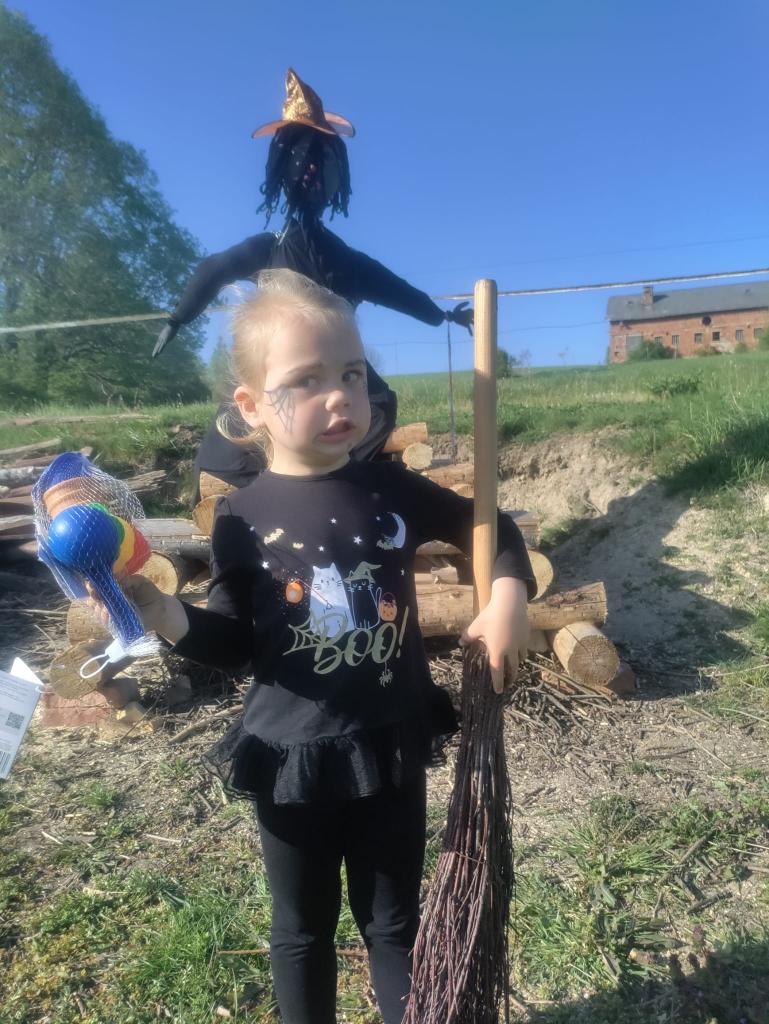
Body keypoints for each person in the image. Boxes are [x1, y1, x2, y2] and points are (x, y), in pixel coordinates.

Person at [120, 269, 534, 1024]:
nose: (340, 396)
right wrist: (163, 612)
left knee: (394, 924)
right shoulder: (241, 517)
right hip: (292, 760)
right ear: (252, 405)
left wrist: (506, 595)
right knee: (301, 931)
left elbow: (492, 527)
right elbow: (235, 643)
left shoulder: (392, 490)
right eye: (306, 380)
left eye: (352, 373)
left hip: (389, 744)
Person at [151, 69, 473, 498]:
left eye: (323, 169)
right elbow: (216, 268)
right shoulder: (274, 248)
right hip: (278, 369)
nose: (313, 177)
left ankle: (331, 484)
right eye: (307, 166)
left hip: (337, 372)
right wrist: (178, 317)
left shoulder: (341, 259)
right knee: (234, 437)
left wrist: (442, 315)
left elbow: (394, 288)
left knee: (373, 408)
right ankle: (267, 494)